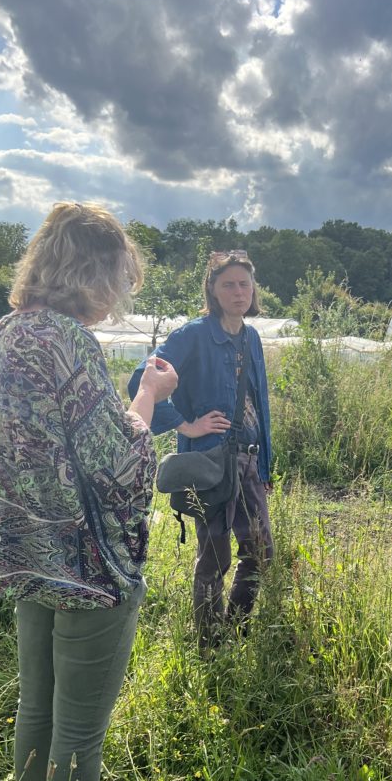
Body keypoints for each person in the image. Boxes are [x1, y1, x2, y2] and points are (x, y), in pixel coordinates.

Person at [0, 202, 178, 781]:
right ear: (95, 272)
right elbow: (118, 463)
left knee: (39, 705)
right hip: (86, 562)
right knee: (80, 724)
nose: (120, 291)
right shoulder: (65, 342)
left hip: (26, 551)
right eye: (120, 274)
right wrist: (148, 396)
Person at [128, 250, 273, 651]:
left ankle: (236, 632)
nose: (238, 291)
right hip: (209, 461)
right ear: (212, 289)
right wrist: (184, 424)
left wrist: (264, 466)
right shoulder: (192, 335)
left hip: (248, 459)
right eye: (228, 284)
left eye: (244, 283)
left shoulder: (252, 336)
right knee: (214, 556)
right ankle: (209, 646)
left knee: (260, 553)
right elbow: (141, 379)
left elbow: (259, 405)